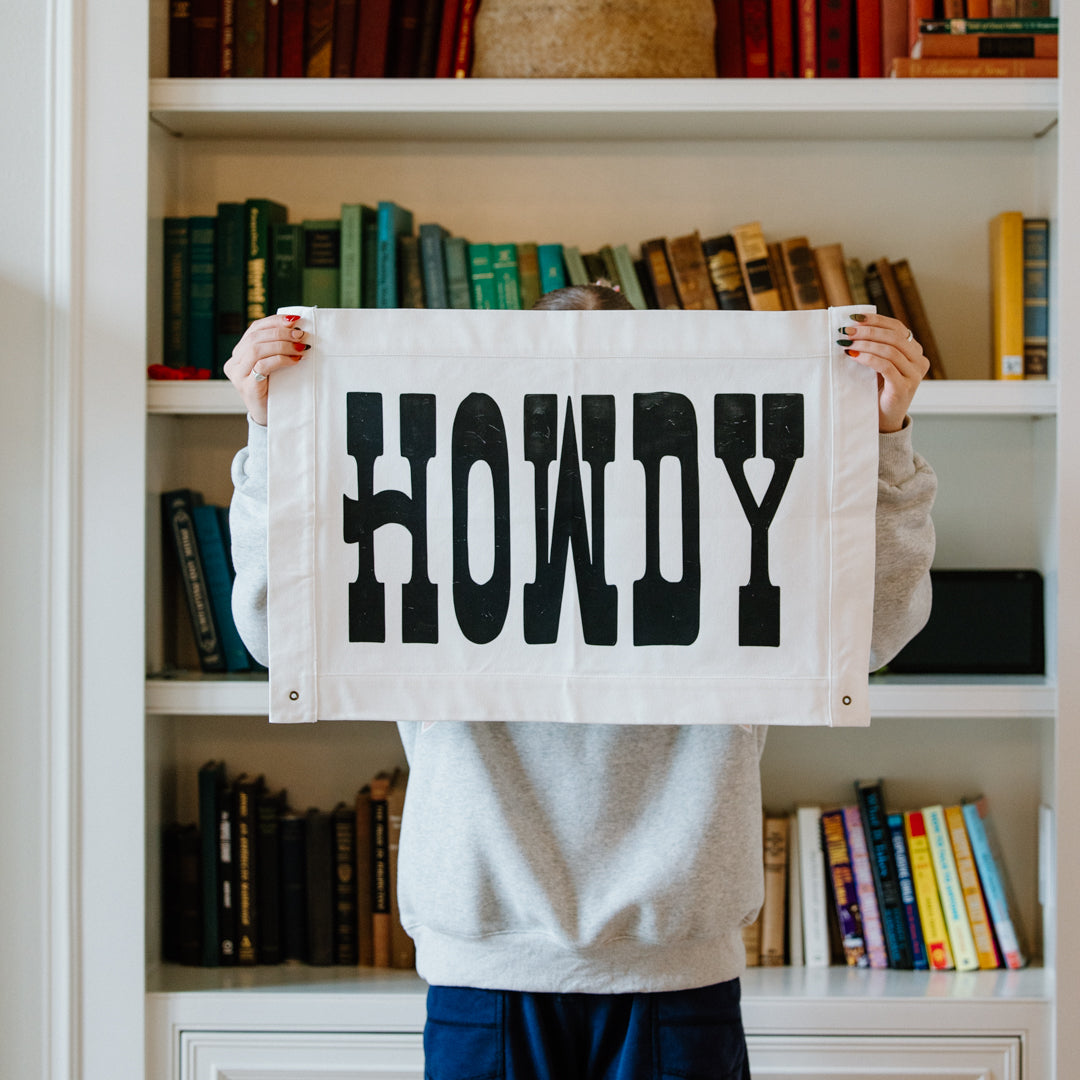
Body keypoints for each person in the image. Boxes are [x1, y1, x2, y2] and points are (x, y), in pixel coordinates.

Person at [223, 285, 936, 1080]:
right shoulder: (441, 516)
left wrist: (885, 439)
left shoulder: (726, 521)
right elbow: (277, 636)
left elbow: (870, 635)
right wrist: (272, 433)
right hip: (487, 971)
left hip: (675, 970)